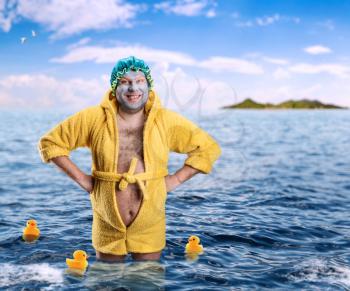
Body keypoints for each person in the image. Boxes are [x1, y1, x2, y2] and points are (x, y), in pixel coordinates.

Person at [38, 56, 221, 262]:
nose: (133, 88)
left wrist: (175, 180)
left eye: (139, 81)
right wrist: (83, 180)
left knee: (146, 281)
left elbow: (207, 147)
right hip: (107, 219)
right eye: (125, 82)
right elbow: (51, 142)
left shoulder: (166, 120)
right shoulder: (94, 118)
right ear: (114, 88)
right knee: (106, 281)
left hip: (150, 220)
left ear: (148, 86)